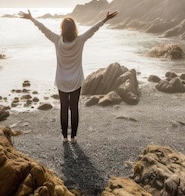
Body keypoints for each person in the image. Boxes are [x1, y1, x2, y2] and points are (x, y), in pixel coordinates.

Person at [19, 9, 118, 143]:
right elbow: (93, 29)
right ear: (74, 28)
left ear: (62, 28)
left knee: (64, 108)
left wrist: (31, 18)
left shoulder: (57, 40)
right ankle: (73, 137)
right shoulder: (80, 40)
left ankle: (65, 137)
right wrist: (105, 19)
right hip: (76, 80)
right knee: (74, 108)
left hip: (61, 80)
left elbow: (43, 29)